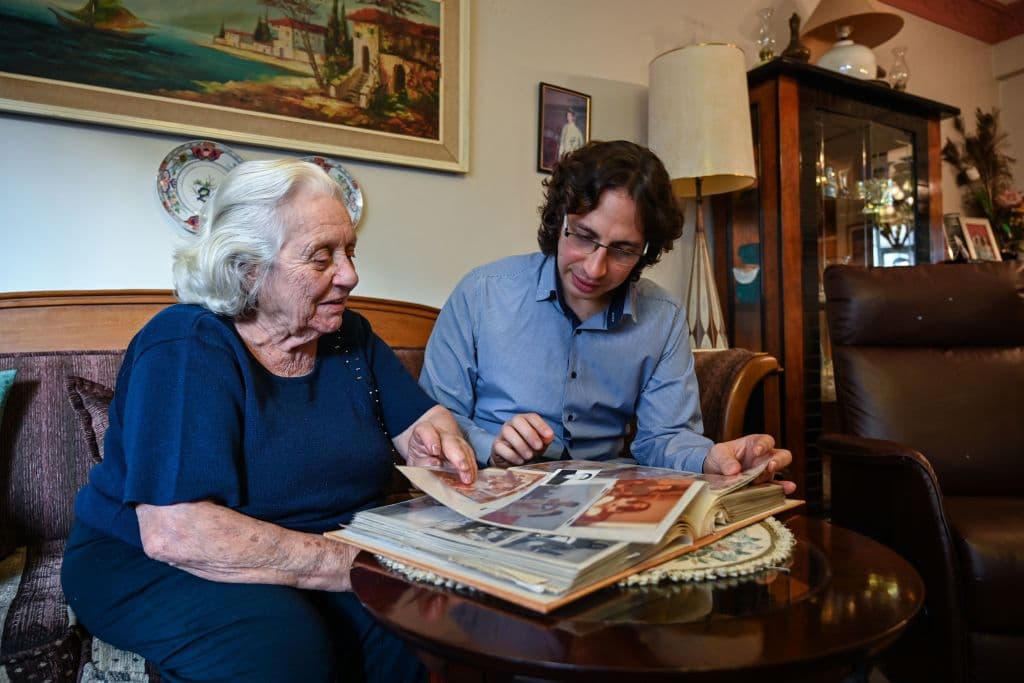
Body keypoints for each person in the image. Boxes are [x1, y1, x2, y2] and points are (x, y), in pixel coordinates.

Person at [61, 159, 477, 683]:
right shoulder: (187, 345)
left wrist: (437, 441)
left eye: (349, 251)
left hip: (314, 547)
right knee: (281, 648)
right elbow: (177, 533)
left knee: (408, 638)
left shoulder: (351, 338)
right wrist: (361, 567)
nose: (350, 275)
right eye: (321, 257)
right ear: (247, 267)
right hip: (147, 560)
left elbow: (426, 420)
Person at [419, 140, 795, 493]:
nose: (595, 269)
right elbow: (432, 418)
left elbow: (663, 438)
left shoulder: (663, 318)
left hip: (606, 501)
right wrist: (492, 449)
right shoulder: (482, 293)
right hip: (490, 488)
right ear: (559, 220)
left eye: (622, 250)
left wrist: (711, 457)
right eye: (583, 236)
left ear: (646, 251)